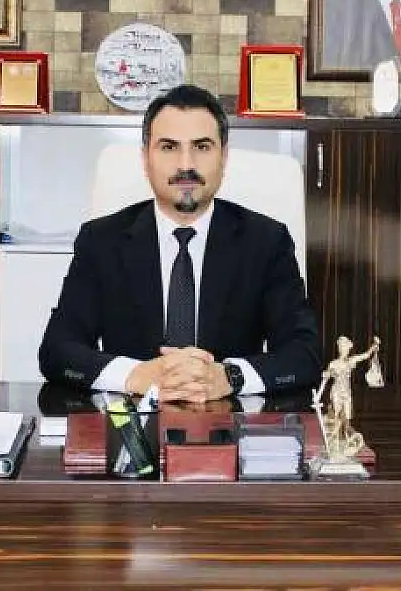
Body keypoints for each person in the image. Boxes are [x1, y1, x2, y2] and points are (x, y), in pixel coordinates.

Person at [38, 85, 323, 404]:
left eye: (202, 146)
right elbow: (57, 350)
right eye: (169, 147)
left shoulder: (266, 241)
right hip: (131, 425)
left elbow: (305, 353)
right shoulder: (101, 240)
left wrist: (230, 376)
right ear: (145, 159)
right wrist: (136, 375)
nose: (186, 164)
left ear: (224, 157)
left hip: (230, 422)